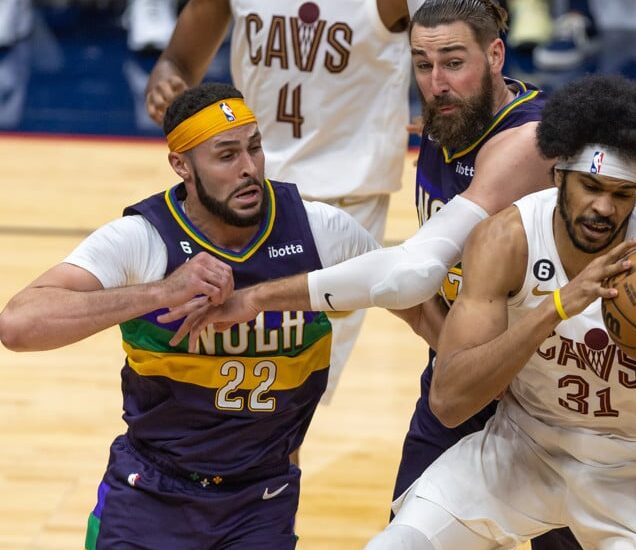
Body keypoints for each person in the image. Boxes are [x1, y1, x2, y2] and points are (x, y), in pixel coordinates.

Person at [161, 1, 581, 547]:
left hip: (549, 386)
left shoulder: (522, 143)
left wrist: (261, 297)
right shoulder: (454, 116)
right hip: (462, 371)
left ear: (495, 55)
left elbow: (410, 272)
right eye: (423, 65)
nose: (436, 82)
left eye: (454, 63)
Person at [0, 83, 439, 549]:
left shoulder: (319, 231)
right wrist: (161, 292)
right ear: (181, 166)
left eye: (254, 148)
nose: (249, 168)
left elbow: (418, 305)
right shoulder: (142, 237)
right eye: (226, 156)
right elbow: (18, 324)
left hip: (261, 499)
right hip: (150, 491)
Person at [364, 74, 636, 549]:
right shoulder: (506, 239)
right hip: (523, 450)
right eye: (590, 186)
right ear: (558, 177)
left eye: (621, 194)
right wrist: (555, 307)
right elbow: (449, 402)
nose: (604, 208)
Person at [144, 0, 422, 400]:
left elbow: (456, 38)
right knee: (226, 378)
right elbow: (178, 60)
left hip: (343, 201)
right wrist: (166, 80)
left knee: (290, 390)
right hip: (247, 194)